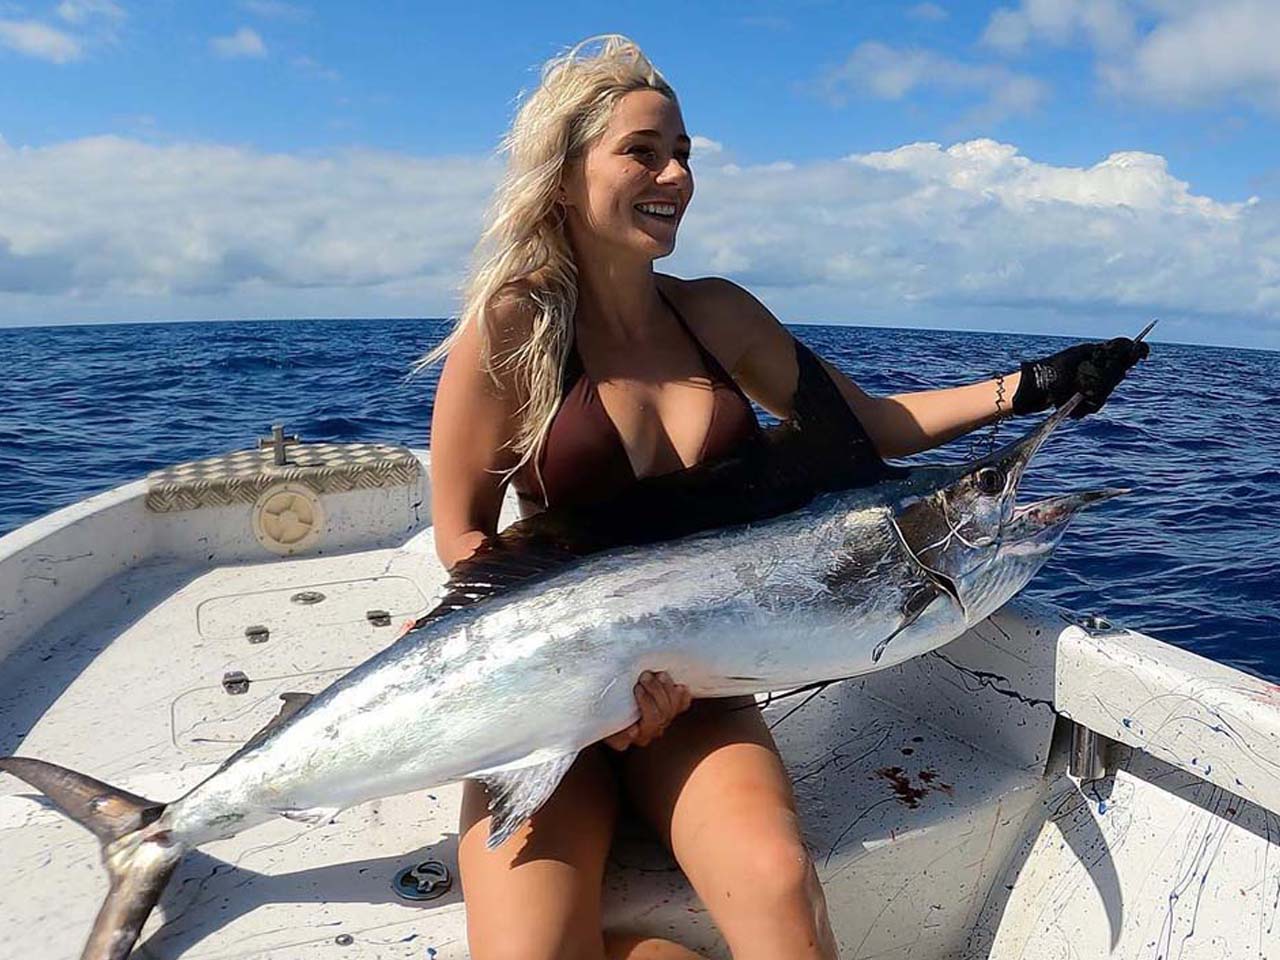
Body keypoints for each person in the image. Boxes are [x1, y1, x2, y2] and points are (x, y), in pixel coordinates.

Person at [426, 35, 1147, 960]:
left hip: (699, 687)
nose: (675, 175)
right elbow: (462, 536)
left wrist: (1034, 385)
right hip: (544, 696)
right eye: (642, 151)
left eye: (683, 152)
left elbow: (868, 426)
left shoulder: (717, 313)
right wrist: (585, 668)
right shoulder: (511, 327)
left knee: (776, 890)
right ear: (565, 176)